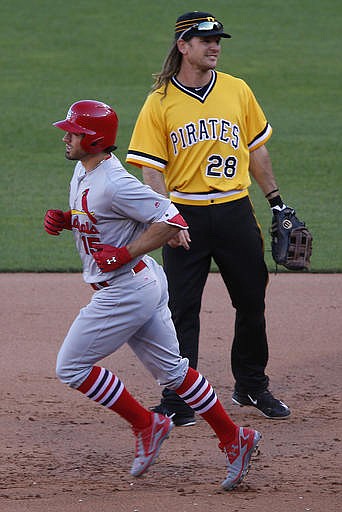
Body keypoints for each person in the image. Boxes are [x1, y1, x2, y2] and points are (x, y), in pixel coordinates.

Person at [43, 99, 262, 491]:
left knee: (71, 367)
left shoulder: (115, 181)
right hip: (141, 283)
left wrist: (124, 253)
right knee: (174, 372)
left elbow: (172, 219)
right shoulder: (83, 171)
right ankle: (235, 438)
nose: (67, 137)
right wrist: (69, 220)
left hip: (125, 290)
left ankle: (147, 424)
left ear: (92, 140)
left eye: (73, 132)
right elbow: (100, 218)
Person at [126, 11, 291, 426]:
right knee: (182, 308)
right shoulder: (159, 101)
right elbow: (152, 169)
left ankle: (251, 384)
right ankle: (180, 398)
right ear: (183, 46)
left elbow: (256, 149)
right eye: (206, 40)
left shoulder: (237, 90)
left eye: (218, 39)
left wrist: (276, 202)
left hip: (236, 209)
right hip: (186, 214)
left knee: (252, 300)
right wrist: (168, 219)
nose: (215, 46)